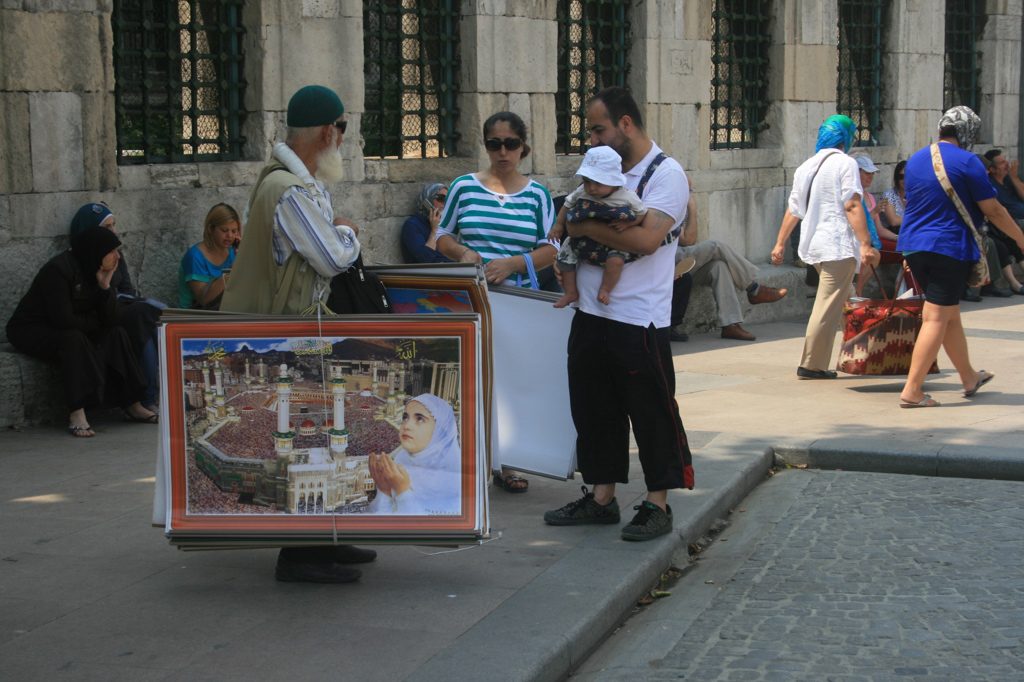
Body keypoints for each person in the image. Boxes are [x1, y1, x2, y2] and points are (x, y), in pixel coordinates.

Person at [219, 84, 373, 583]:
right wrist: (350, 233)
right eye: (342, 132)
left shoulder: (299, 185)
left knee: (328, 438)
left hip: (307, 331)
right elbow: (331, 255)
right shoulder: (287, 189)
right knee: (305, 446)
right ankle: (301, 553)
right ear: (329, 131)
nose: (343, 143)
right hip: (287, 335)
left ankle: (326, 535)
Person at [543, 86, 694, 542]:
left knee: (650, 411)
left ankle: (658, 502)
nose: (591, 138)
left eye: (598, 128)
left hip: (638, 317)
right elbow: (564, 222)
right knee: (593, 409)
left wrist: (582, 224)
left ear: (625, 124)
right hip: (591, 312)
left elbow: (647, 241)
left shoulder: (666, 174)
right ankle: (601, 496)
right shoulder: (598, 173)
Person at [435, 111, 558, 493]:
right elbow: (441, 235)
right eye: (494, 144)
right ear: (485, 145)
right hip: (471, 298)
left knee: (514, 380)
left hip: (518, 299)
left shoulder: (537, 195)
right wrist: (462, 254)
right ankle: (471, 460)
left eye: (510, 144)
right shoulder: (463, 187)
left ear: (524, 148)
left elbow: (553, 248)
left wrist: (514, 263)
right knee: (469, 378)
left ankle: (511, 461)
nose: (502, 152)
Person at [896, 106, 1024, 407]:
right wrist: (1020, 239)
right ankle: (912, 390)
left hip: (914, 245)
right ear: (967, 133)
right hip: (948, 247)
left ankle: (968, 376)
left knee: (948, 313)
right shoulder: (968, 161)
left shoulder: (915, 159)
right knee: (937, 316)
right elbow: (992, 209)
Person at [6, 226, 157, 437]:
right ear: (96, 251)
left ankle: (132, 403)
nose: (117, 257)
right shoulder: (58, 270)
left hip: (76, 325)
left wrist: (105, 287)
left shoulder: (98, 270)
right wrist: (96, 322)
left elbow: (112, 320)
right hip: (32, 330)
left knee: (116, 334)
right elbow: (63, 319)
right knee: (73, 339)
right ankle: (77, 412)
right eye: (112, 251)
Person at [771, 115, 880, 379]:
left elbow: (793, 210)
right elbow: (852, 204)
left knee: (847, 300)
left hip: (816, 246)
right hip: (837, 246)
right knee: (827, 304)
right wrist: (865, 243)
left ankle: (864, 352)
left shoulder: (806, 167)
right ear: (846, 137)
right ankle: (811, 364)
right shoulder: (845, 164)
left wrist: (780, 243)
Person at [69, 202, 163, 412]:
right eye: (107, 227)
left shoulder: (115, 255)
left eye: (114, 225)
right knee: (148, 312)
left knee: (151, 322)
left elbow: (128, 289)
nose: (113, 232)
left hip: (127, 310)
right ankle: (148, 398)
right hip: (103, 316)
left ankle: (160, 393)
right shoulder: (78, 262)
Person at [675, 183, 788, 342]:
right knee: (716, 246)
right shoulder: (662, 203)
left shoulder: (678, 208)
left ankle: (730, 325)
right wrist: (692, 208)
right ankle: (754, 288)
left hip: (682, 266)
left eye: (690, 190)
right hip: (665, 262)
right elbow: (688, 240)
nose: (690, 193)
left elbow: (689, 239)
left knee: (719, 267)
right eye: (688, 190)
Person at [551, 145, 646, 308]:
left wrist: (629, 223)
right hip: (580, 239)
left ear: (614, 182)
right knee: (564, 259)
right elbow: (567, 205)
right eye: (587, 182)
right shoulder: (582, 191)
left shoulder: (626, 196)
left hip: (611, 240)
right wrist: (558, 226)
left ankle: (606, 289)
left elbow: (642, 213)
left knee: (616, 261)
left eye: (599, 183)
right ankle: (570, 292)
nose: (592, 188)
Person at [367, 394, 461, 515]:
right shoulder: (401, 459)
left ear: (440, 430)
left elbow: (436, 531)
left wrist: (403, 493)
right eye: (405, 418)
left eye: (420, 419)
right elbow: (378, 526)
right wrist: (385, 492)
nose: (406, 426)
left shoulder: (454, 480)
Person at [852, 153, 901, 296]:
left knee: (909, 249)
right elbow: (857, 223)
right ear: (856, 173)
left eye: (872, 174)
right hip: (859, 241)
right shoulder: (852, 195)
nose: (870, 177)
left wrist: (898, 237)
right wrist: (874, 212)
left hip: (874, 241)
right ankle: (858, 291)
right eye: (866, 173)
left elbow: (879, 229)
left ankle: (907, 294)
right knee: (874, 255)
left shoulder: (870, 197)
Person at [178, 203, 241, 309]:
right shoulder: (195, 257)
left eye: (234, 231)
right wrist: (233, 269)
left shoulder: (234, 252)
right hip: (196, 315)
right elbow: (205, 300)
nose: (230, 236)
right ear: (211, 229)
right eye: (224, 230)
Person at [400, 182, 453, 264]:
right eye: (441, 199)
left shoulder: (444, 225)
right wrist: (434, 230)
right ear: (427, 200)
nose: (445, 204)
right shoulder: (412, 225)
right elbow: (426, 259)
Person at [879, 160, 907, 232]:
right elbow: (893, 221)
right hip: (891, 234)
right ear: (896, 178)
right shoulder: (888, 195)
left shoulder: (914, 195)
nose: (905, 180)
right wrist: (915, 219)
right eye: (901, 177)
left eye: (908, 176)